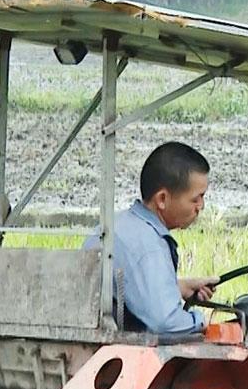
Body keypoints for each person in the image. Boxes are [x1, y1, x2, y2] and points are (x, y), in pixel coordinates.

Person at [83, 141, 220, 334]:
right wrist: (201, 321)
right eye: (196, 199)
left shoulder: (116, 225)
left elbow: (129, 287)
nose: (201, 207)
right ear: (162, 199)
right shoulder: (150, 248)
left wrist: (176, 287)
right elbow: (166, 323)